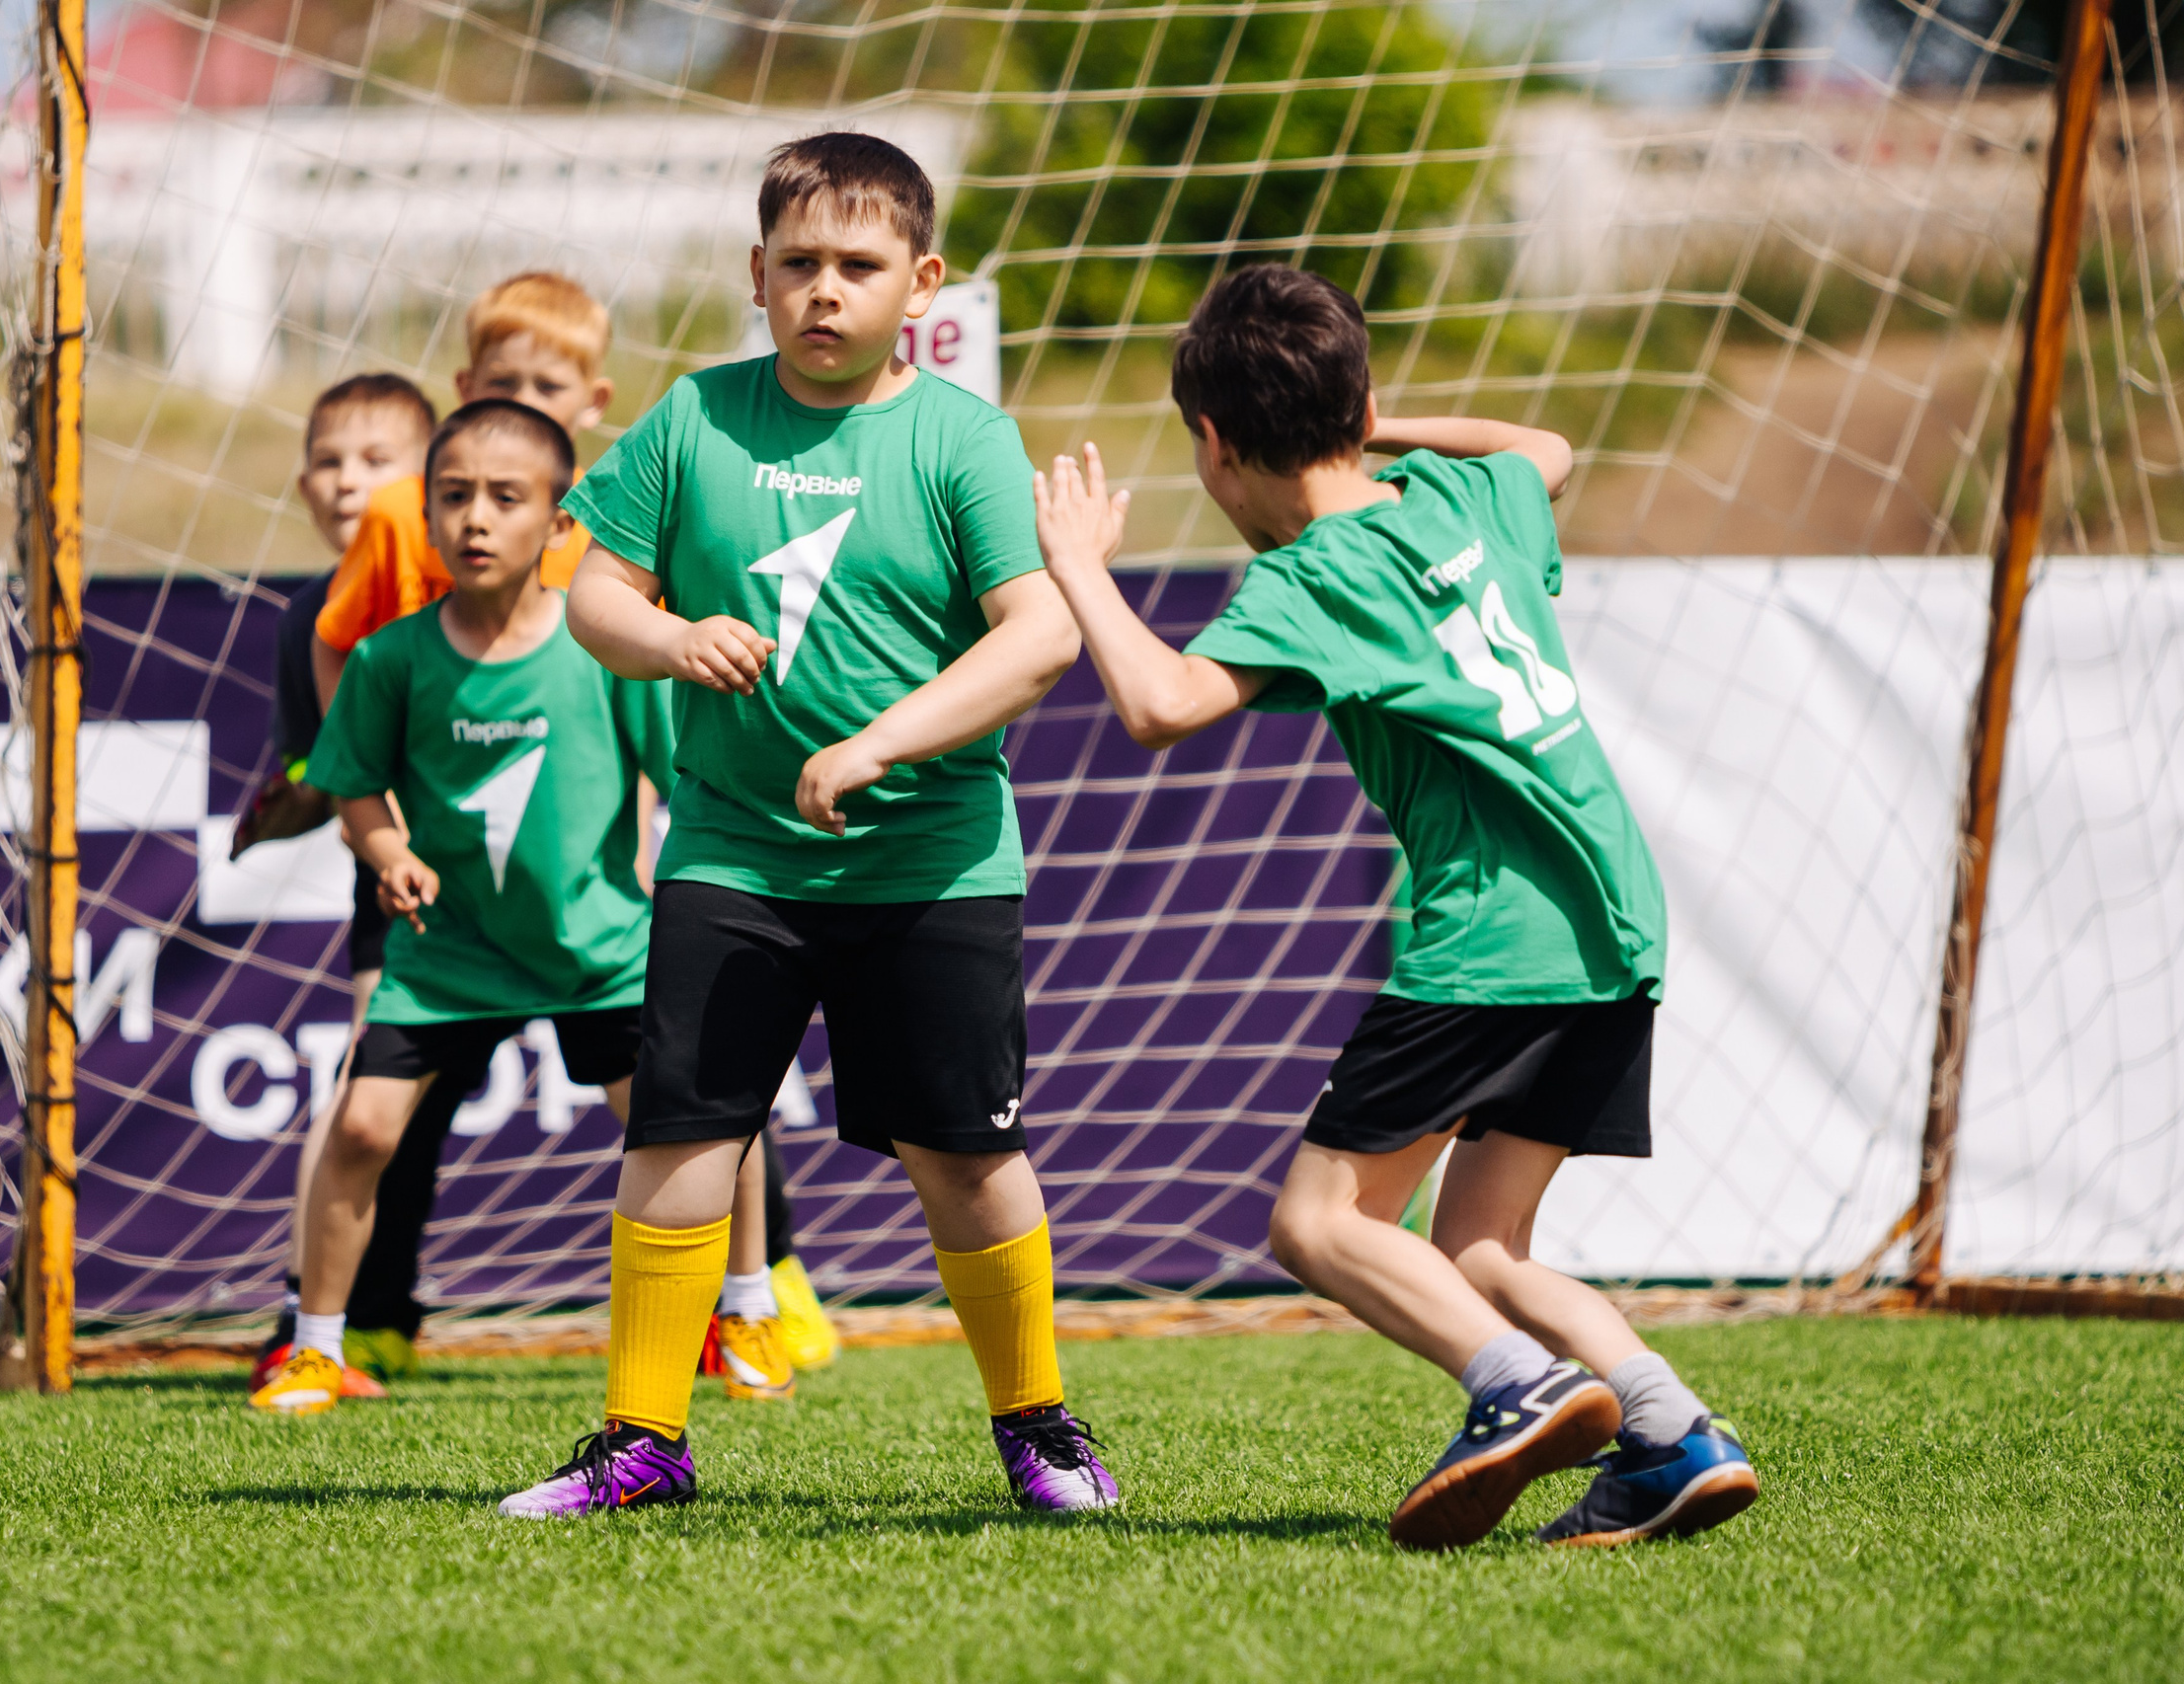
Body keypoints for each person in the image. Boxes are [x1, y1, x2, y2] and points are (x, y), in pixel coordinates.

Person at [1033, 264, 1758, 1551]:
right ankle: (1670, 1433)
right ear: (1359, 403)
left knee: (1318, 1222)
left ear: (1215, 443)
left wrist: (1081, 566)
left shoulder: (1314, 574)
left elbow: (1158, 705)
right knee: (1480, 1244)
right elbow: (1547, 440)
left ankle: (1515, 1386)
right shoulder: (1466, 489)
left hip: (1491, 936)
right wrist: (1379, 424)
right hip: (1615, 922)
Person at [503, 131, 1113, 1519]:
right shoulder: (692, 417)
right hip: (732, 852)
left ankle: (1040, 1427)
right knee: (677, 1139)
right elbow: (591, 591)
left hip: (935, 860)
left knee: (965, 1153)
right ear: (756, 276)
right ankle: (643, 1442)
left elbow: (1040, 637)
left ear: (923, 279)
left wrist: (880, 742)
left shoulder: (965, 435)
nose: (825, 291)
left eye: (858, 264)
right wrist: (665, 637)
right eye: (798, 265)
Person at [251, 399, 668, 1415]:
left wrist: (673, 873)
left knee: (682, 1132)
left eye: (505, 497)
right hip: (444, 957)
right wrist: (387, 847)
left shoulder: (607, 647)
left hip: (595, 948)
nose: (476, 518)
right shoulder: (392, 658)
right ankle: (314, 1346)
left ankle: (734, 1310)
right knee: (359, 1129)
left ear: (560, 523)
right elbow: (351, 782)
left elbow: (678, 778)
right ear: (424, 518)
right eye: (453, 497)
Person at [235, 371, 435, 1399]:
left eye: (376, 459)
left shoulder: (489, 579)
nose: (347, 480)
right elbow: (330, 774)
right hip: (403, 895)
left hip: (554, 889)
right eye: (327, 458)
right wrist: (308, 802)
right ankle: (303, 1323)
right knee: (364, 1103)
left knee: (669, 1093)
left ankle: (741, 1302)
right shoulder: (308, 617)